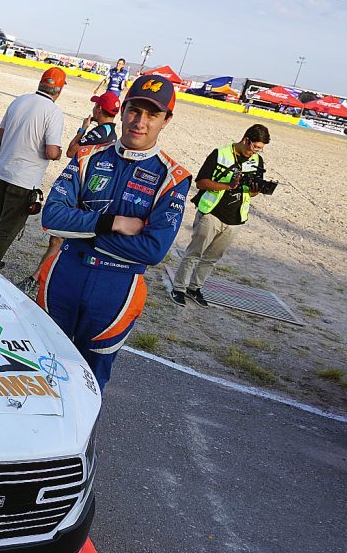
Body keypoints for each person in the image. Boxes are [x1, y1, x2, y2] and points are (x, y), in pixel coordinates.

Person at [37, 75, 192, 391]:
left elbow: (152, 249)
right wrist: (113, 223)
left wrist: (81, 227)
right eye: (135, 110)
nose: (140, 122)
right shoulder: (87, 156)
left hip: (116, 289)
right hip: (65, 274)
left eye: (152, 114)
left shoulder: (172, 177)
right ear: (122, 111)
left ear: (166, 120)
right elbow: (51, 218)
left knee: (89, 382)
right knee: (41, 368)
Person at [20, 91, 120, 294]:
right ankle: (43, 278)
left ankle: (38, 279)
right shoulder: (112, 134)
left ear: (99, 109)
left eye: (96, 106)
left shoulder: (98, 132)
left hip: (81, 190)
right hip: (93, 192)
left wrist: (82, 129)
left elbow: (71, 151)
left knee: (57, 238)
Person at [170, 124, 271, 307]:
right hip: (211, 212)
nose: (255, 152)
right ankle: (178, 288)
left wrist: (256, 190)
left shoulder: (257, 161)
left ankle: (194, 288)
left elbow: (252, 193)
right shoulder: (220, 153)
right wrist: (228, 185)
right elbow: (201, 182)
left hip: (236, 218)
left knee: (212, 258)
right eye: (254, 147)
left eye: (260, 149)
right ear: (246, 139)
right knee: (194, 253)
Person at [0, 67, 66, 271]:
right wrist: (59, 153)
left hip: (4, 169)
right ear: (59, 91)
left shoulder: (19, 100)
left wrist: (9, 151)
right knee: (9, 224)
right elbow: (52, 152)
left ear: (41, 83)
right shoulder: (53, 112)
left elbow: (2, 132)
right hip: (25, 178)